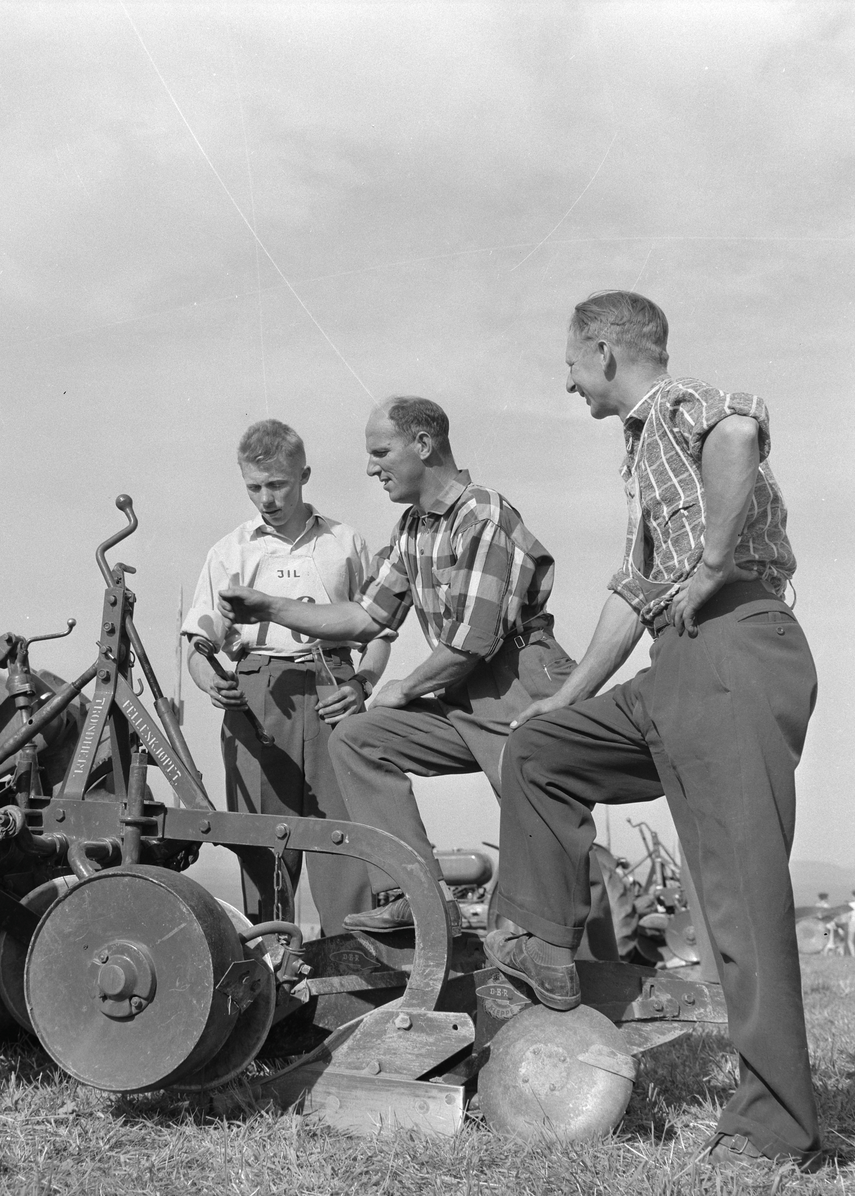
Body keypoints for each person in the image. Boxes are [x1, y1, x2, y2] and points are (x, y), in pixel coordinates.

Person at [487, 292, 821, 1171]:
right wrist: (565, 700)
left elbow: (740, 434)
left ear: (604, 350)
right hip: (671, 668)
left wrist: (713, 562)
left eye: (569, 366)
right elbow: (634, 594)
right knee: (539, 751)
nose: (567, 385)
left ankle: (775, 1132)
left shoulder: (676, 405)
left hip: (734, 652)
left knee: (737, 902)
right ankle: (542, 949)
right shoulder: (642, 454)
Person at [219, 396, 581, 936]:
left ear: (424, 445)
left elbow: (472, 640)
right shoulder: (413, 528)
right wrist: (270, 607)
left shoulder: (483, 514)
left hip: (517, 683)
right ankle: (420, 895)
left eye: (381, 452)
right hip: (463, 694)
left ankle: (561, 950)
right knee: (360, 737)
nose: (371, 468)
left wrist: (398, 688)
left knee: (543, 826)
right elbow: (365, 615)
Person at [181, 419, 391, 936]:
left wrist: (362, 684)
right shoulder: (230, 552)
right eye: (254, 487)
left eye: (277, 485)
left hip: (332, 690)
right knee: (262, 845)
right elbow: (198, 643)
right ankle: (274, 966)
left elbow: (380, 633)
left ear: (304, 476)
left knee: (344, 838)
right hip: (255, 697)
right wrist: (210, 680)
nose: (266, 499)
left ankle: (351, 961)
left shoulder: (345, 544)